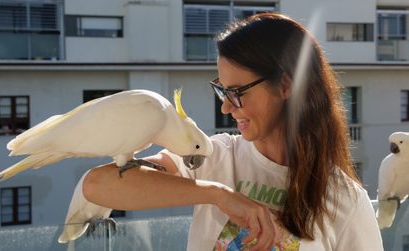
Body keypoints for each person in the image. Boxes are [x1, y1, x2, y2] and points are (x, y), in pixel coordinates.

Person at [82, 13, 383, 251]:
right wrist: (219, 195)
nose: (226, 107)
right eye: (222, 91)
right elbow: (98, 185)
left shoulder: (345, 200)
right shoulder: (212, 158)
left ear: (285, 86)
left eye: (237, 92)